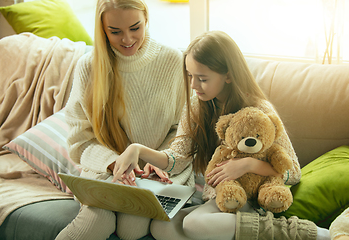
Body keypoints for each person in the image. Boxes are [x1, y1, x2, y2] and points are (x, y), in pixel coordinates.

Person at [113, 31, 331, 240]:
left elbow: (292, 171)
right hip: (220, 197)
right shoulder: (197, 107)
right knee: (162, 227)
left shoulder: (259, 110)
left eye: (202, 78)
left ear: (228, 75)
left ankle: (297, 232)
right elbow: (177, 159)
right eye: (190, 76)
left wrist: (246, 165)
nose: (193, 85)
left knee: (191, 225)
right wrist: (137, 150)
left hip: (253, 199)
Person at [55, 0, 193, 239]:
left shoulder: (172, 61)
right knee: (96, 221)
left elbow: (182, 132)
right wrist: (115, 164)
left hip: (159, 169)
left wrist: (153, 160)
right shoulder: (88, 67)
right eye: (115, 32)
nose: (127, 40)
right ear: (102, 29)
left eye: (135, 28)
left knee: (133, 229)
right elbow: (80, 140)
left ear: (146, 19)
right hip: (107, 168)